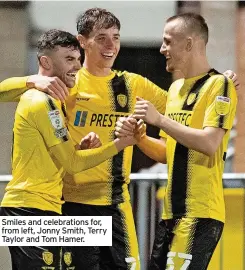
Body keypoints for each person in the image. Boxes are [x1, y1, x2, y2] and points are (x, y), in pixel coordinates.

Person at [0, 8, 239, 270]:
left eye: (116, 37)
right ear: (83, 42)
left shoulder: (132, 84)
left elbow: (181, 112)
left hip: (116, 205)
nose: (111, 45)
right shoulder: (66, 83)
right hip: (69, 204)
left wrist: (215, 83)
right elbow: (6, 96)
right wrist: (31, 81)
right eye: (101, 38)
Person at [0, 29, 137, 270]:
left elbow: (54, 155)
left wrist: (78, 147)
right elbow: (72, 164)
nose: (77, 66)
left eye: (78, 59)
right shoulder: (40, 100)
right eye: (69, 59)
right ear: (45, 62)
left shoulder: (53, 99)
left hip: (45, 206)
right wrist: (119, 144)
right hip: (29, 209)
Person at [116, 13, 237, 270]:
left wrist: (159, 120)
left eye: (168, 41)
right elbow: (167, 153)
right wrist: (139, 138)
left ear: (190, 44)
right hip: (171, 214)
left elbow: (209, 143)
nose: (162, 49)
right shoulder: (175, 90)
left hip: (200, 213)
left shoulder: (220, 85)